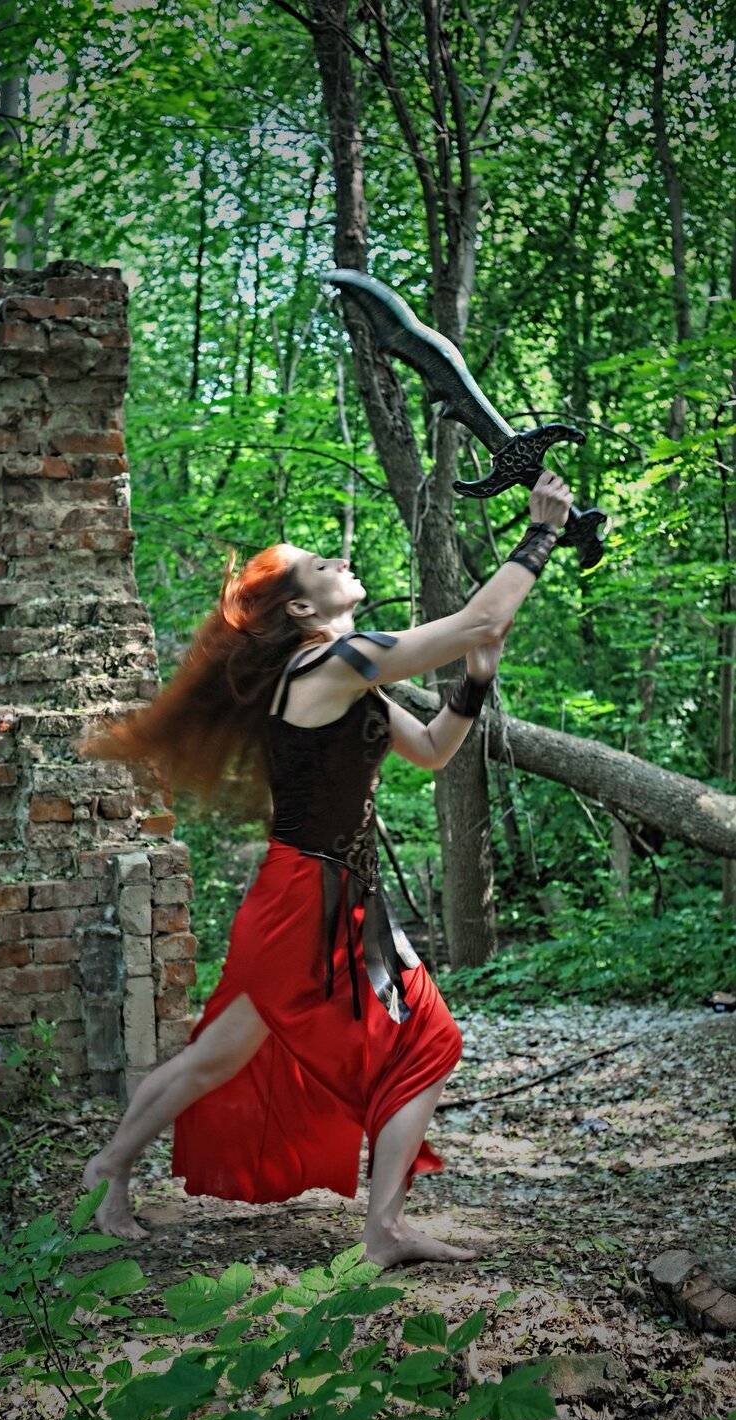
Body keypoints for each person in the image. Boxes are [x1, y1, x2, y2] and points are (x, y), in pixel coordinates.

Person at [77, 470, 573, 1268]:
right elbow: (481, 615)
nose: (339, 561)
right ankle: (368, 1226)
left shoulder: (345, 678)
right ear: (304, 611)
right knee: (330, 1048)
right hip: (304, 896)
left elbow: (434, 751)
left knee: (258, 1051)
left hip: (331, 894)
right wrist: (540, 533)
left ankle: (126, 1171)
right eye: (320, 565)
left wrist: (476, 679)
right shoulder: (330, 666)